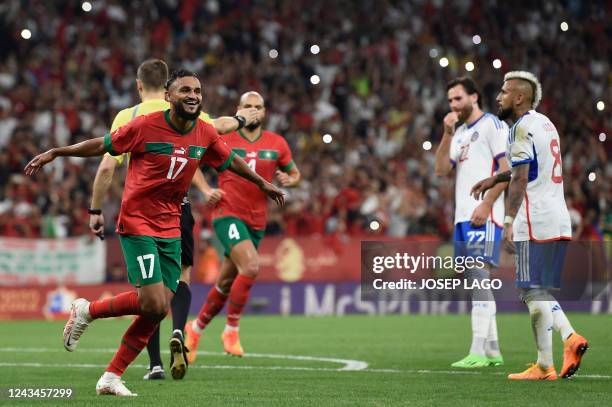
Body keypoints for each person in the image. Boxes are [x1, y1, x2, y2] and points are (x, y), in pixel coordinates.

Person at [24, 69, 284, 396]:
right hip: (138, 222)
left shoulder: (203, 131)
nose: (193, 95)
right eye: (185, 90)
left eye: (197, 90)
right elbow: (102, 146)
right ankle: (87, 311)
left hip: (171, 225)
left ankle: (110, 376)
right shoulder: (144, 126)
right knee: (152, 301)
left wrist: (261, 182)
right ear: (168, 96)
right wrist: (57, 152)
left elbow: (229, 159)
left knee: (159, 307)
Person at [88, 58, 257, 381]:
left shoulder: (128, 116)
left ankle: (152, 363)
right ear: (167, 88)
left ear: (139, 86)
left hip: (140, 211)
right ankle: (179, 330)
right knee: (180, 277)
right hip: (176, 208)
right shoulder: (192, 111)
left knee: (147, 294)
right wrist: (240, 118)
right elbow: (212, 134)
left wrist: (96, 211)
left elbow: (107, 166)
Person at [471, 71, 588, 380]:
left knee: (530, 292)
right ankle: (569, 340)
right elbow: (531, 168)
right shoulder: (545, 123)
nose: (498, 97)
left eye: (504, 92)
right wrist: (495, 177)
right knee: (538, 290)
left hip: (533, 219)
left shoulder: (519, 128)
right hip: (557, 217)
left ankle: (545, 365)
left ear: (519, 98)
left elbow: (522, 177)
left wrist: (507, 220)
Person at [184, 91, 300, 361]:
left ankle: (195, 329)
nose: (252, 110)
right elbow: (192, 161)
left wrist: (289, 180)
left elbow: (295, 173)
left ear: (264, 111)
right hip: (227, 213)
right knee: (251, 266)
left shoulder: (277, 143)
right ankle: (231, 330)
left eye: (257, 107)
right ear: (239, 109)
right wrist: (204, 188)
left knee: (225, 282)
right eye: (247, 106)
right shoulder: (223, 136)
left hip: (257, 220)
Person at [434, 77, 508, 368]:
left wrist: (487, 203)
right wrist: (446, 133)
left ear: (474, 97)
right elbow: (441, 170)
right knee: (475, 279)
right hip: (463, 216)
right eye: (450, 100)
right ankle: (493, 350)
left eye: (458, 98)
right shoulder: (461, 132)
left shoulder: (491, 125)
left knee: (478, 276)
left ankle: (477, 350)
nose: (453, 104)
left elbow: (507, 170)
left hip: (483, 213)